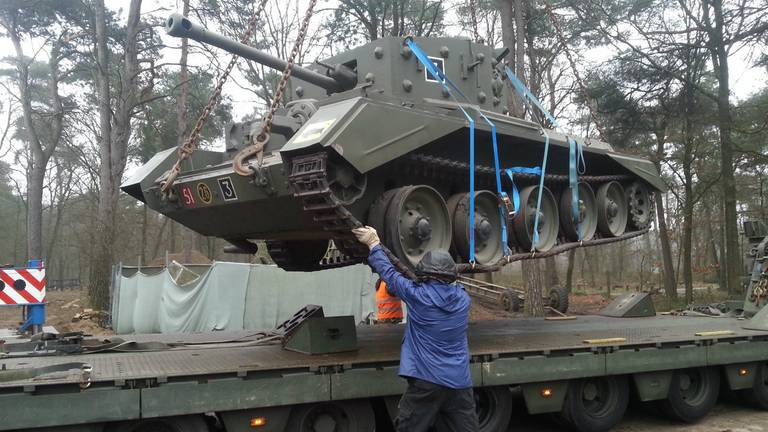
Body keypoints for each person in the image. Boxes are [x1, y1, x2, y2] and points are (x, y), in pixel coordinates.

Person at [352, 225, 478, 432]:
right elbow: (450, 286)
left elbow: (390, 274)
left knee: (409, 427)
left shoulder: (418, 296)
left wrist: (373, 243)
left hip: (427, 381)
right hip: (459, 381)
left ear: (425, 274)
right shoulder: (464, 299)